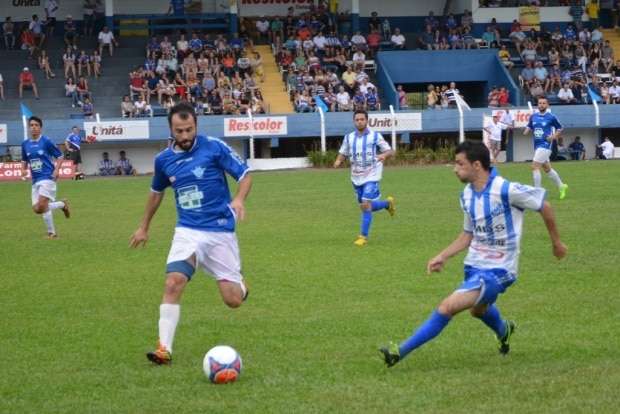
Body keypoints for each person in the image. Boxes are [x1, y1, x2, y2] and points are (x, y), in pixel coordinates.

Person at [379, 141, 567, 367]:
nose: (454, 168)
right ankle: (504, 329)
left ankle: (399, 351)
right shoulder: (466, 195)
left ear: (477, 165)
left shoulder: (505, 189)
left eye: (459, 164)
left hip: (500, 269)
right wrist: (443, 255)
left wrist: (556, 243)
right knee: (478, 311)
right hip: (474, 265)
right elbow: (467, 235)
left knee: (447, 307)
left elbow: (544, 205)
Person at [129, 102, 252, 365]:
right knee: (173, 282)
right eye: (179, 131)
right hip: (187, 231)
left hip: (220, 230)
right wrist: (143, 227)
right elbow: (156, 194)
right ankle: (164, 348)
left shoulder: (214, 147)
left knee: (233, 301)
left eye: (189, 130)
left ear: (196, 125)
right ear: (170, 129)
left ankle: (240, 285)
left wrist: (239, 199)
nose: (184, 136)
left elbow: (244, 175)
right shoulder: (164, 160)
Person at [333, 110, 395, 246]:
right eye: (357, 119)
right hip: (356, 176)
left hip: (372, 174)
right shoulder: (348, 138)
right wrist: (338, 161)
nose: (360, 121)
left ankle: (363, 237)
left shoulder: (375, 136)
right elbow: (343, 152)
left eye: (362, 119)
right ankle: (387, 204)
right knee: (365, 206)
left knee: (365, 204)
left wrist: (384, 155)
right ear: (354, 121)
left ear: (367, 121)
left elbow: (390, 150)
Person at [20, 116, 71, 238]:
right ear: (29, 128)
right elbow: (24, 160)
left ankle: (52, 234)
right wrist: (23, 170)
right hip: (35, 179)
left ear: (40, 128)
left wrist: (57, 170)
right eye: (31, 125)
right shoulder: (25, 144)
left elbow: (59, 156)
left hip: (48, 177)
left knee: (42, 204)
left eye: (36, 125)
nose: (34, 127)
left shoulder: (46, 141)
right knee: (37, 209)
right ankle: (62, 205)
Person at [523, 96, 569, 199]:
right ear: (537, 105)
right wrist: (526, 131)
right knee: (547, 169)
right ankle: (561, 186)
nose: (541, 105)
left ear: (547, 105)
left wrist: (553, 137)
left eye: (544, 103)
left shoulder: (551, 117)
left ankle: (537, 193)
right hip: (537, 145)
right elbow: (529, 126)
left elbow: (560, 128)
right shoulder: (533, 116)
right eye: (540, 103)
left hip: (545, 145)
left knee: (534, 166)